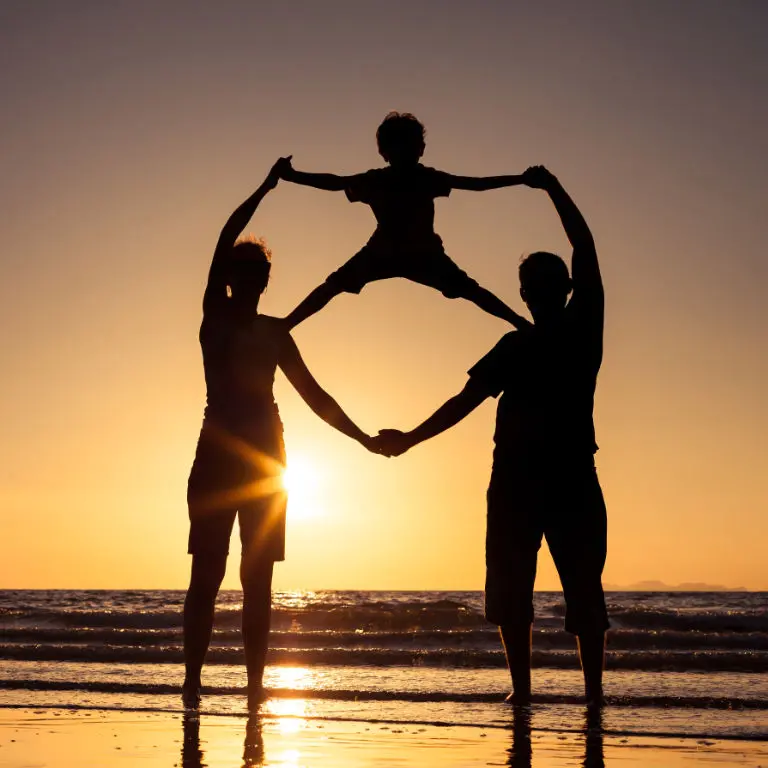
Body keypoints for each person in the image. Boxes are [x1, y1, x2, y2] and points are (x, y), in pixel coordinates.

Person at [374, 166, 609, 707]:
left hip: (571, 476)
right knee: (509, 589)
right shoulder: (512, 346)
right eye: (532, 287)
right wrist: (409, 438)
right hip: (514, 484)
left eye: (548, 285)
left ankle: (594, 694)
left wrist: (554, 187)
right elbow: (464, 403)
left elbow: (585, 245)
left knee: (582, 586)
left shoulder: (581, 328)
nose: (538, 293)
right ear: (524, 294)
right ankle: (522, 693)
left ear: (564, 289)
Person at [183, 160, 376, 710]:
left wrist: (363, 438)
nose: (246, 281)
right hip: (216, 453)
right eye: (238, 273)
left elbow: (315, 396)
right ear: (228, 278)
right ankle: (192, 685)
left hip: (269, 457)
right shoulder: (214, 319)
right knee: (206, 572)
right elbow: (224, 236)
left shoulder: (275, 333)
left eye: (255, 274)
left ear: (265, 282)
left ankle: (253, 688)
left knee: (257, 578)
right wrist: (264, 188)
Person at [275, 111, 530, 329]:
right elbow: (336, 183)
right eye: (399, 144)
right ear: (385, 152)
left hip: (422, 253)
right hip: (384, 251)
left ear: (420, 149)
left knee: (469, 289)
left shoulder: (425, 177)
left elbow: (475, 185)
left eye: (410, 144)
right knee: (333, 284)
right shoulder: (378, 179)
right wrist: (293, 176)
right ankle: (286, 324)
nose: (405, 151)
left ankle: (520, 324)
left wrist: (520, 179)